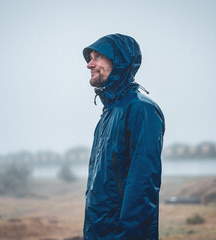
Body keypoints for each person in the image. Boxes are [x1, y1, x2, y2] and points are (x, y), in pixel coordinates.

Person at [82, 33, 165, 240]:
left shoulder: (141, 109)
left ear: (119, 61)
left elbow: (143, 186)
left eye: (97, 57)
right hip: (98, 233)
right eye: (89, 58)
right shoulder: (107, 116)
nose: (89, 64)